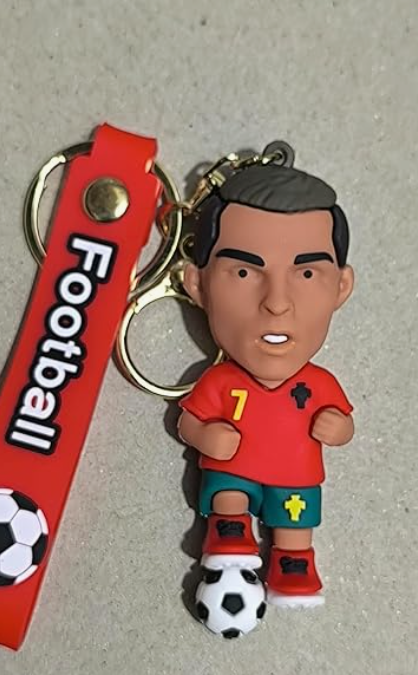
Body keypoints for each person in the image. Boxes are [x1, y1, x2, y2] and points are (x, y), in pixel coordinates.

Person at [178, 158, 355, 607]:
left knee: (296, 520)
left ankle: (294, 564)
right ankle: (228, 533)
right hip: (233, 471)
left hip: (295, 478)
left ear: (341, 287)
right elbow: (188, 422)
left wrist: (339, 428)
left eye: (307, 273)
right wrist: (205, 436)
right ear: (196, 284)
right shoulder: (221, 380)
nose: (277, 302)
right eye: (243, 272)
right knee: (228, 494)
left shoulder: (319, 383)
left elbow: (345, 425)